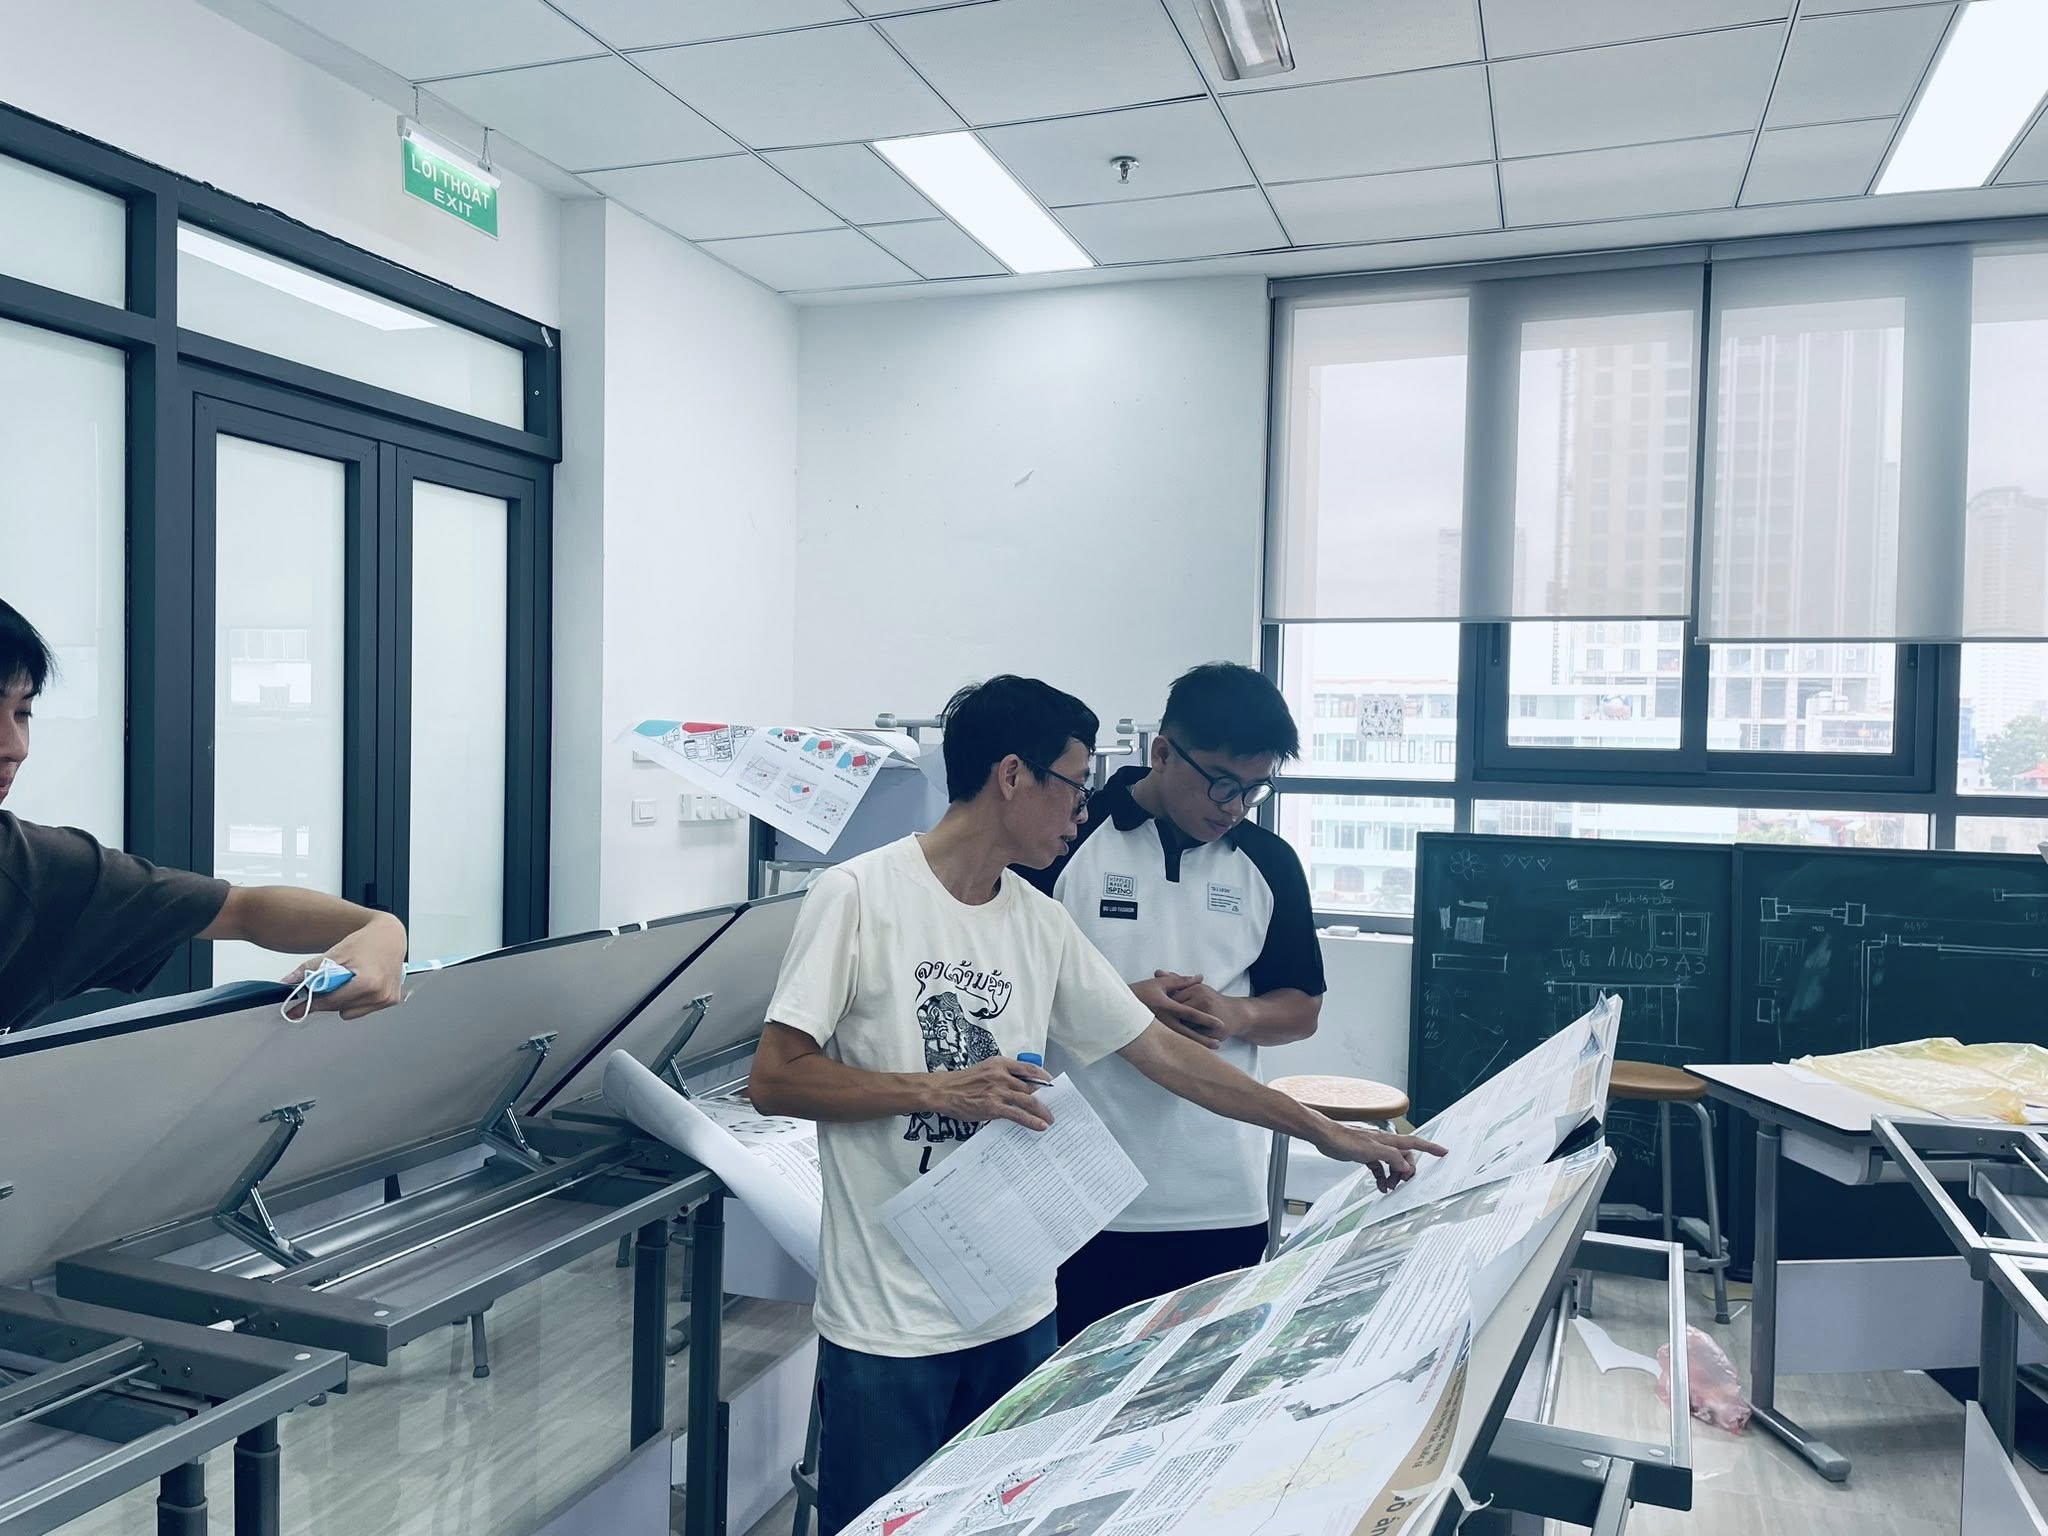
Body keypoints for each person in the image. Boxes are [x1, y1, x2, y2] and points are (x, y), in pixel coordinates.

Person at [746, 674, 1442, 1535]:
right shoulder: (859, 894)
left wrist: (1326, 1132)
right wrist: (932, 1088)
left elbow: (1166, 1056)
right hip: (891, 1321)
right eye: (1074, 786)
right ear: (1013, 776)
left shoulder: (1037, 922)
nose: (1082, 812)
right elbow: (775, 1078)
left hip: (1019, 1307)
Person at [1025, 662, 1328, 1342]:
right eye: (1221, 782)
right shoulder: (1064, 843)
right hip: (1081, 1194)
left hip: (1223, 1195)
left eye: (1253, 789)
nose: (1233, 806)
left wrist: (1238, 1013)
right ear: (1162, 753)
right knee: (1067, 1392)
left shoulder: (1270, 863)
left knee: (1194, 1392)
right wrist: (1119, 1006)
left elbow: (1302, 1008)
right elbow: (1001, 992)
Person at [0, 599, 407, 1032]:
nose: (16, 747)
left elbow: (244, 910)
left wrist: (383, 930)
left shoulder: (34, 866)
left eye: (23, 713)